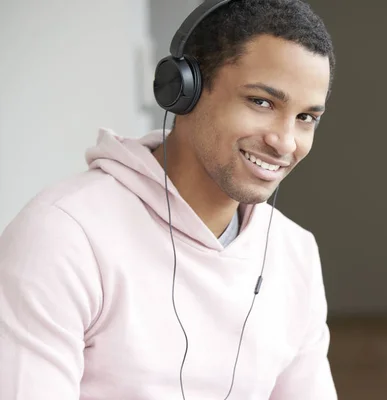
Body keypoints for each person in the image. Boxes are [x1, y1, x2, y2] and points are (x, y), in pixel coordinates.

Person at [0, 0, 337, 399]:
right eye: (262, 102)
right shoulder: (63, 235)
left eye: (306, 118)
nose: (285, 141)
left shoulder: (294, 251)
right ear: (183, 91)